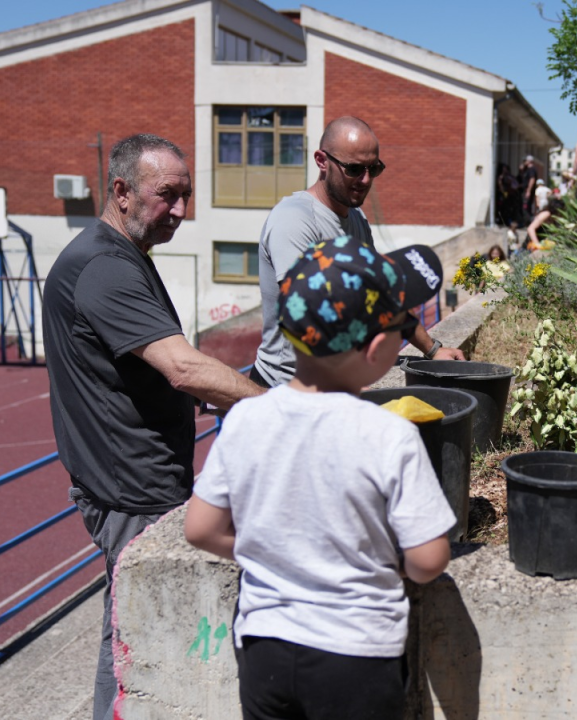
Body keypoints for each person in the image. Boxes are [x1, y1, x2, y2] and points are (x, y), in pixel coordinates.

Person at [42, 133, 266, 720]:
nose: (181, 210)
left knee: (127, 631)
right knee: (139, 641)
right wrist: (279, 409)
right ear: (122, 191)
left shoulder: (120, 256)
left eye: (186, 195)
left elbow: (145, 372)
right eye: (168, 194)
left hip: (138, 481)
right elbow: (183, 366)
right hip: (131, 490)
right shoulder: (103, 266)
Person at [184, 238, 454, 719]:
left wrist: (277, 550)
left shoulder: (246, 419)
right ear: (378, 349)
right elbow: (429, 559)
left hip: (265, 650)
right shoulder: (389, 434)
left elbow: (200, 529)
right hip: (357, 655)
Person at [251, 116, 464, 388]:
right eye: (353, 169)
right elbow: (309, 314)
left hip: (334, 383)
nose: (365, 180)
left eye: (373, 169)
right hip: (283, 386)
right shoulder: (294, 220)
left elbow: (383, 296)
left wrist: (433, 350)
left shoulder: (356, 218)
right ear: (321, 161)